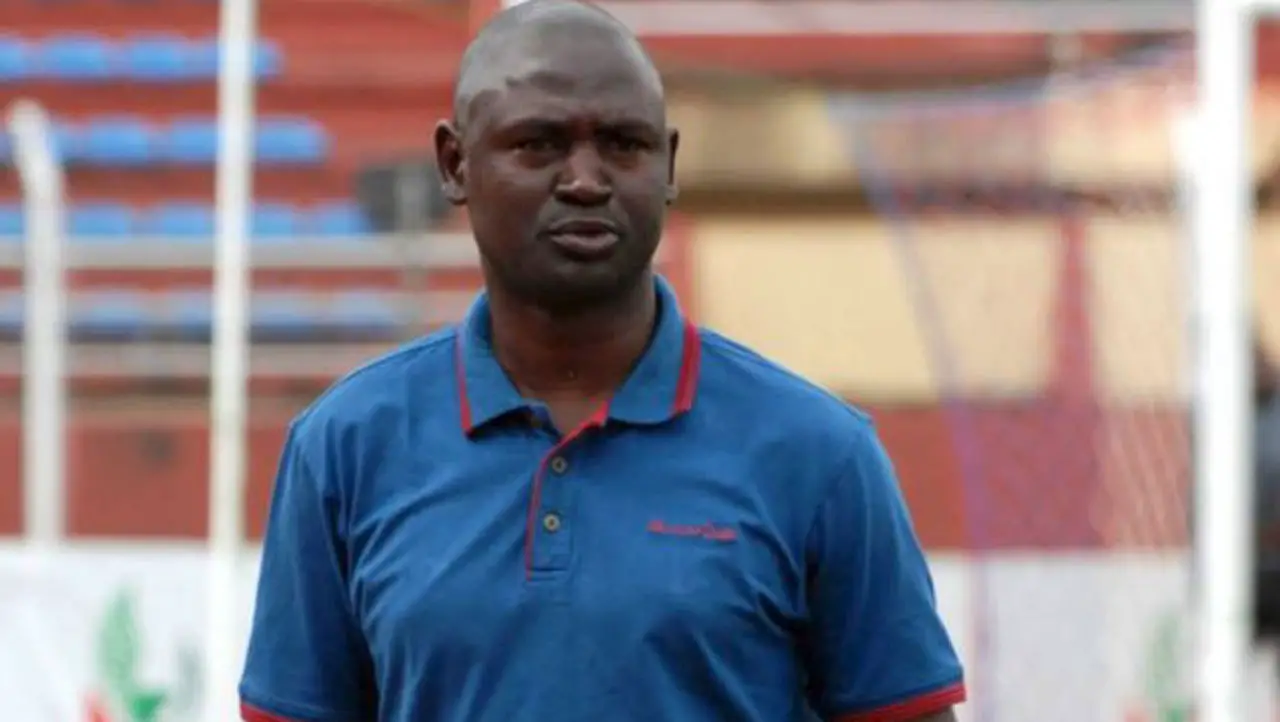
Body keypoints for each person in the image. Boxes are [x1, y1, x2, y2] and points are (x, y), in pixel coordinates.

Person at [237, 2, 965, 721]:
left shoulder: (818, 453)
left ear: (668, 165)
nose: (585, 180)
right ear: (455, 164)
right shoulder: (343, 448)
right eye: (538, 144)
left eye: (623, 144)